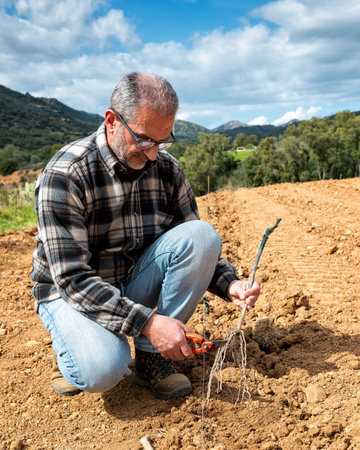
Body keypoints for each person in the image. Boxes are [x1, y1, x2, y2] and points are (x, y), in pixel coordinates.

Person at [30, 72, 260, 400]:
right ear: (111, 121)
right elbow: (72, 280)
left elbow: (192, 243)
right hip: (71, 293)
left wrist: (229, 284)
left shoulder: (167, 170)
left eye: (162, 141)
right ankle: (73, 349)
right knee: (102, 370)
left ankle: (152, 358)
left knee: (202, 235)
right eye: (143, 140)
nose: (153, 154)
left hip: (131, 279)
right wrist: (150, 323)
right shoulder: (66, 175)